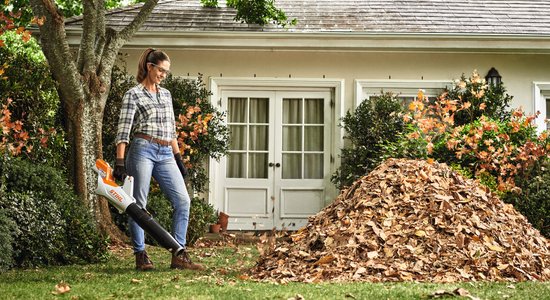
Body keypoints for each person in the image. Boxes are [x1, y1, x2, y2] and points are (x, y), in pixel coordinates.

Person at [113, 48, 203, 271]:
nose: (163, 74)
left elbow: (171, 129)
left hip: (165, 153)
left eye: (166, 72)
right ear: (149, 67)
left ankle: (179, 253)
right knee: (138, 205)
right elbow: (123, 130)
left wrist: (178, 158)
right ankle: (140, 254)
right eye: (160, 70)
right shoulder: (133, 94)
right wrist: (120, 161)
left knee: (183, 201)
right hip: (142, 148)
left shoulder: (166, 94)